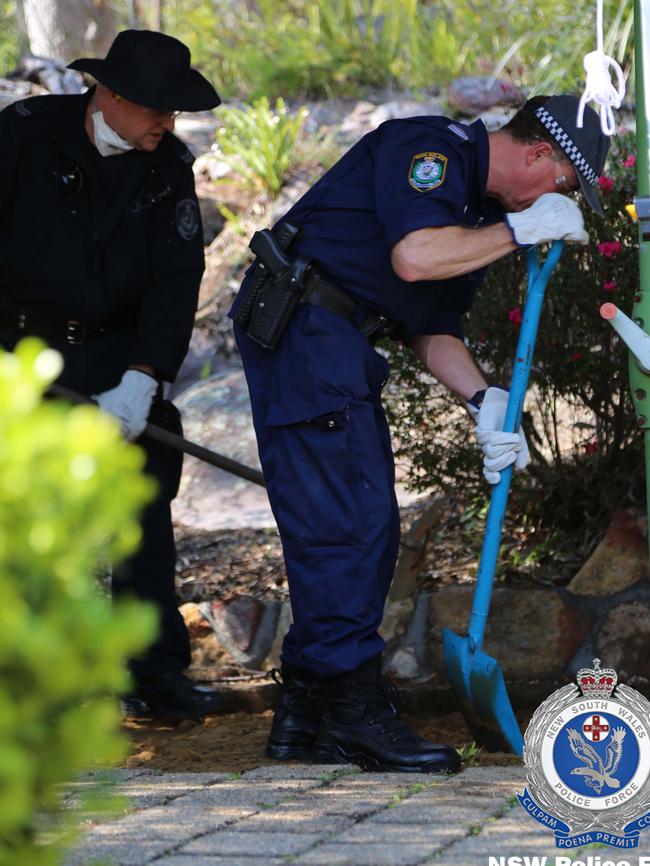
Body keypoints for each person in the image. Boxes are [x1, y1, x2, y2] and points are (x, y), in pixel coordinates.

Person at [230, 95, 610, 773]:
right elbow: (413, 257)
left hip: (338, 344)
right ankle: (354, 715)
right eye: (564, 183)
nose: (558, 199)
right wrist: (520, 234)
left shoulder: (483, 214)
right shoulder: (430, 152)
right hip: (307, 331)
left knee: (352, 527)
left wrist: (484, 399)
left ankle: (305, 717)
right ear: (539, 153)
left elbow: (432, 327)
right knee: (352, 525)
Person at [0, 29, 223, 721]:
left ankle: (155, 674)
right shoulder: (22, 136)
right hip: (21, 352)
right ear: (111, 94)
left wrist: (142, 377)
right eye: (157, 107)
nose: (168, 122)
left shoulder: (168, 167)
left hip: (120, 355)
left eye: (175, 110)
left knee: (143, 511)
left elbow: (176, 280)